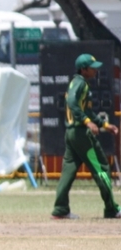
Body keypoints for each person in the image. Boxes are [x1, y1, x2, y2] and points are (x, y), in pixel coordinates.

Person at [51, 53, 121, 220]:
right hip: (81, 134)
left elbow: (86, 110)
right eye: (92, 68)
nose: (95, 71)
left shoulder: (78, 83)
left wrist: (103, 125)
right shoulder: (80, 83)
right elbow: (72, 103)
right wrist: (87, 122)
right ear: (83, 69)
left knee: (68, 171)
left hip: (71, 133)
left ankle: (60, 209)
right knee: (102, 168)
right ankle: (112, 209)